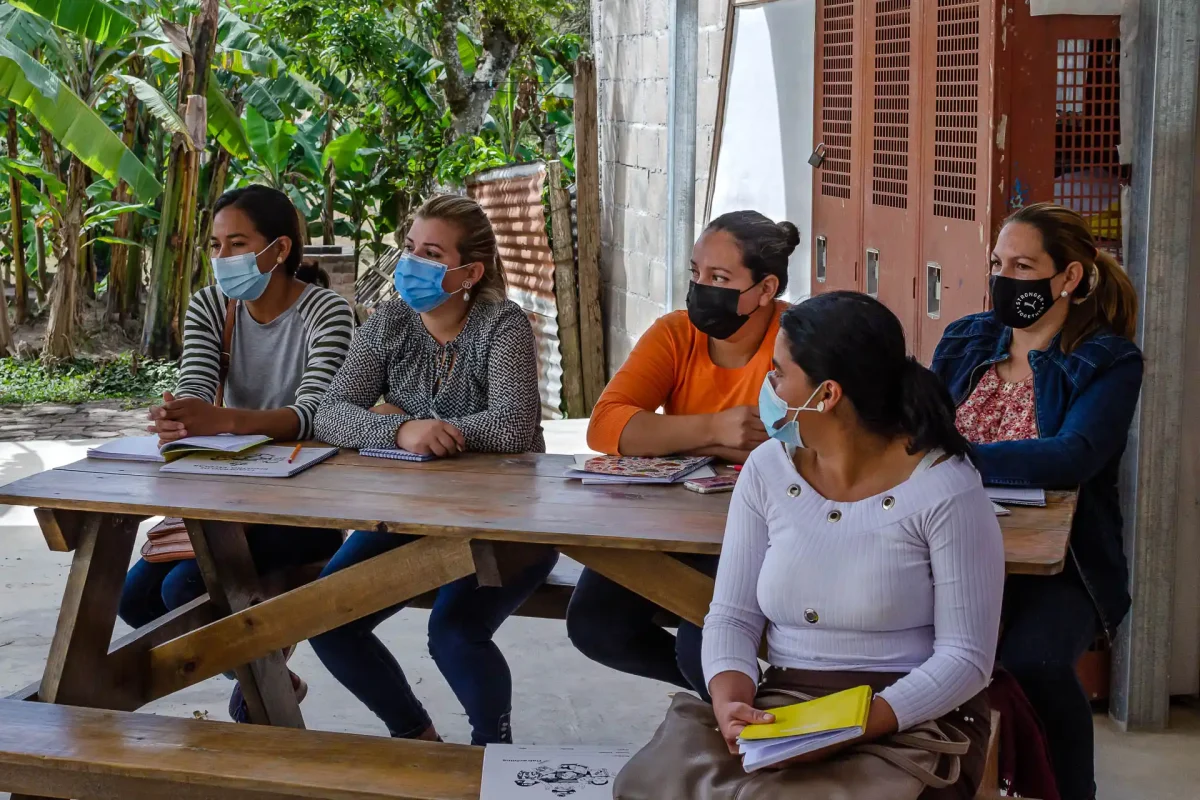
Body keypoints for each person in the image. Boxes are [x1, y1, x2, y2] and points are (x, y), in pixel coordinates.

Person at [703, 292, 1005, 797]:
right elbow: (731, 615)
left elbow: (965, 660)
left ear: (826, 395)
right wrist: (731, 698)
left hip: (913, 712)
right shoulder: (767, 469)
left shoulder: (945, 488)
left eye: (778, 373)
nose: (768, 386)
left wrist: (851, 727)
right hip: (787, 707)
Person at [310, 194, 555, 745]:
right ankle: (417, 738)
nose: (413, 264)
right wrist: (398, 431)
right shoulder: (391, 321)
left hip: (506, 517)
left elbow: (515, 427)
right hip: (407, 516)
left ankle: (493, 756)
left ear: (470, 271)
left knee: (454, 632)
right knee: (328, 617)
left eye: (433, 253)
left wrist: (427, 425)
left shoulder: (502, 324)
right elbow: (331, 412)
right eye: (411, 249)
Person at [930, 202, 1142, 800]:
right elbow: (917, 424)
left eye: (1024, 265)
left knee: (1037, 662)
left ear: (1069, 278)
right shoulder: (968, 339)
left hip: (1059, 564)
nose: (1005, 280)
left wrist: (958, 456)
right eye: (999, 263)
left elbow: (1074, 454)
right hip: (950, 546)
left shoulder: (1105, 360)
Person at [120, 184, 355, 719]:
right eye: (216, 245)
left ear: (279, 250)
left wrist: (222, 420)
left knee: (186, 586)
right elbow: (198, 387)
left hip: (305, 501)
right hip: (229, 494)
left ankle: (261, 681)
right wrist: (180, 417)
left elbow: (317, 415)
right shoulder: (211, 305)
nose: (223, 258)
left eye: (237, 243)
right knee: (133, 599)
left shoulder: (326, 312)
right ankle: (268, 672)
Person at [567, 211, 798, 698]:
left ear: (765, 287)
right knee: (594, 624)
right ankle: (712, 707)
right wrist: (715, 430)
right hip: (672, 522)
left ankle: (744, 725)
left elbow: (807, 444)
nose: (700, 289)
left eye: (719, 278)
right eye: (695, 273)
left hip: (767, 532)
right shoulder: (675, 334)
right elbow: (606, 425)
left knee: (704, 644)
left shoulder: (799, 338)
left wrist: (665, 433)